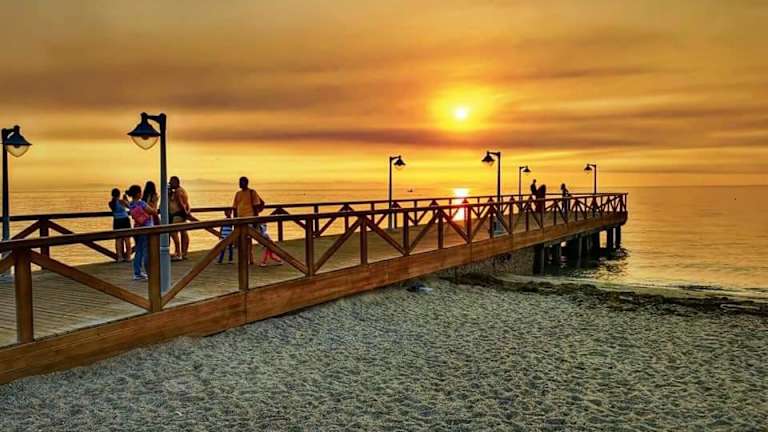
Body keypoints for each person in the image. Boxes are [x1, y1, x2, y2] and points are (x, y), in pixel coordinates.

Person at [127, 184, 157, 281]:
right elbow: (153, 211)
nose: (141, 193)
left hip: (137, 228)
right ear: (138, 193)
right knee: (146, 251)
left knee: (138, 251)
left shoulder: (131, 204)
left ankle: (137, 272)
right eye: (140, 192)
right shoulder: (141, 203)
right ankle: (148, 273)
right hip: (146, 228)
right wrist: (155, 202)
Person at [232, 176, 265, 264]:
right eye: (239, 182)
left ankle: (250, 258)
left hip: (249, 219)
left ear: (246, 183)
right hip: (240, 220)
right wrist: (234, 221)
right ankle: (247, 258)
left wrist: (255, 220)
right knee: (242, 240)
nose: (239, 184)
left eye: (241, 182)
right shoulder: (238, 194)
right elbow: (235, 208)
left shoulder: (252, 192)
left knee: (248, 239)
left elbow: (255, 207)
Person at [169, 176, 191, 260]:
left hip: (177, 215)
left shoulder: (178, 191)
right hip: (181, 215)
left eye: (171, 182)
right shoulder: (183, 190)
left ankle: (178, 253)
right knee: (183, 232)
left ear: (176, 182)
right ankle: (184, 253)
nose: (170, 183)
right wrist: (187, 211)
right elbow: (187, 204)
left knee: (173, 232)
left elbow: (181, 203)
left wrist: (185, 212)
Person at [108, 188, 131, 263]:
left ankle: (119, 257)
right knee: (127, 239)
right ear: (119, 194)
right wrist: (126, 200)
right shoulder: (121, 201)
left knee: (118, 239)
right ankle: (128, 257)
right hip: (125, 220)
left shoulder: (111, 203)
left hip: (117, 221)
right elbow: (130, 206)